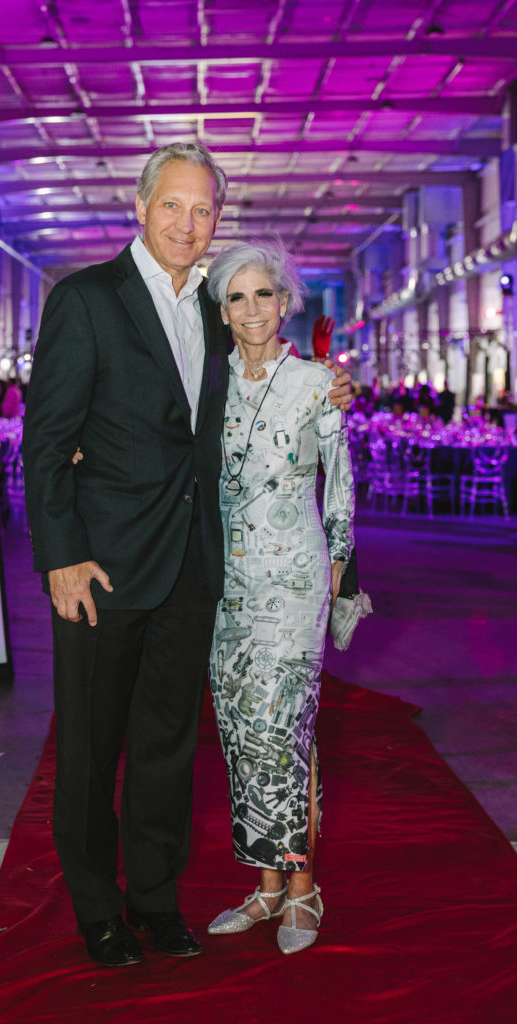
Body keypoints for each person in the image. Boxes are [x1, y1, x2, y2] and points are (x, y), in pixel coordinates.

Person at [22, 142, 352, 969]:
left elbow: (257, 367)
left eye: (203, 208)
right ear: (139, 208)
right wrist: (60, 557)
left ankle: (155, 902)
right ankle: (98, 911)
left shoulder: (214, 305)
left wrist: (324, 385)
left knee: (167, 747)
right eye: (172, 205)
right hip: (100, 569)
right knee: (94, 749)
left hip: (193, 568)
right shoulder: (86, 299)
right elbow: (45, 441)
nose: (187, 222)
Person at [204, 241, 355, 955]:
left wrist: (339, 569)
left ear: (285, 302)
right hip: (224, 584)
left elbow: (340, 482)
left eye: (264, 294)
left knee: (282, 733)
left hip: (294, 580)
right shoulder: (208, 384)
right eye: (236, 297)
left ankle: (302, 889)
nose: (251, 309)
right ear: (222, 310)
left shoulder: (316, 383)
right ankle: (263, 887)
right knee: (240, 735)